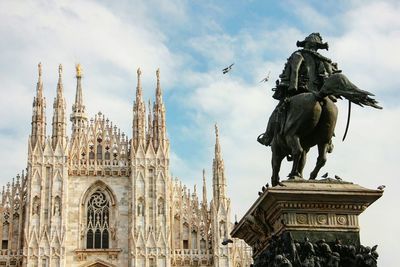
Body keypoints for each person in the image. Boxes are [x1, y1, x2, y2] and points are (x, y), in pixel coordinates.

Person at [258, 33, 340, 147]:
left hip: (299, 90)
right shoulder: (322, 60)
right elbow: (326, 77)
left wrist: (292, 88)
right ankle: (328, 138)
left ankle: (267, 136)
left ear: (305, 44)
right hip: (318, 92)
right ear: (316, 46)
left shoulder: (297, 54)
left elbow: (295, 72)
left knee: (278, 111)